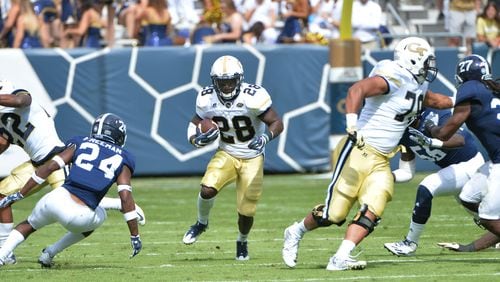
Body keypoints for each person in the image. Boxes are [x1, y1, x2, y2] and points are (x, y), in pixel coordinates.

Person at [281, 36, 454, 271]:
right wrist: (351, 123)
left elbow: (437, 100)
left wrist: (468, 101)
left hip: (382, 160)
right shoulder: (393, 76)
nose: (428, 67)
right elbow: (357, 89)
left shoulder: (418, 85)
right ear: (411, 60)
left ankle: (340, 257)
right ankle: (295, 231)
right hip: (359, 149)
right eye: (424, 61)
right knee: (334, 215)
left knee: (374, 206)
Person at [0, 80, 145, 265]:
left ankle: (115, 204)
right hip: (38, 164)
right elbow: (3, 143)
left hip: (55, 158)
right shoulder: (124, 156)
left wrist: (21, 194)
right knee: (2, 195)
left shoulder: (21, 96)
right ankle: (12, 249)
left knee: (62, 203)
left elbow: (21, 101)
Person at [182, 55, 284, 260]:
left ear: (240, 79)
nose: (227, 86)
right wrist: (195, 140)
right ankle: (201, 223)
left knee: (246, 210)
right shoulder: (206, 98)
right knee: (207, 188)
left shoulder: (253, 96)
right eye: (222, 82)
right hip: (227, 151)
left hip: (253, 156)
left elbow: (276, 122)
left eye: (231, 81)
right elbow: (195, 122)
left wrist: (265, 138)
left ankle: (242, 240)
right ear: (214, 81)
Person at [425, 54, 500, 256]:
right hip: (495, 159)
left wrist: (431, 129)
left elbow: (446, 132)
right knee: (468, 196)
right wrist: (469, 248)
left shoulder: (470, 88)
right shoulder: (491, 89)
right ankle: (483, 243)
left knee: (488, 218)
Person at [383, 107, 485, 256]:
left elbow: (459, 140)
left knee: (427, 186)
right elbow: (406, 172)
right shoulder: (402, 133)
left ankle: (410, 243)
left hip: (471, 164)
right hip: (454, 169)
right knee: (478, 210)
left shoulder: (437, 115)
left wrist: (432, 141)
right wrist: (385, 177)